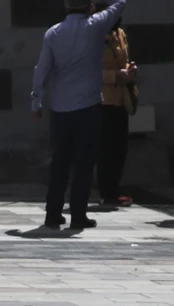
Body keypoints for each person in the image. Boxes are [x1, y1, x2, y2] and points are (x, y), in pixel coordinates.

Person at [30, 0, 131, 230]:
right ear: (90, 6)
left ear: (66, 7)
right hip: (89, 106)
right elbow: (119, 5)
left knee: (60, 163)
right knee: (84, 163)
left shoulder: (53, 33)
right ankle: (78, 215)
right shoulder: (95, 26)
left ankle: (53, 214)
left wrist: (36, 101)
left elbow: (42, 69)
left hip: (60, 108)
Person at [96, 1, 136, 209]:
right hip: (103, 99)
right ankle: (106, 191)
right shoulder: (94, 37)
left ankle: (114, 188)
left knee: (120, 147)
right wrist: (114, 76)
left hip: (121, 98)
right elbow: (88, 72)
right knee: (106, 148)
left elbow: (124, 60)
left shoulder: (119, 34)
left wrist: (129, 70)